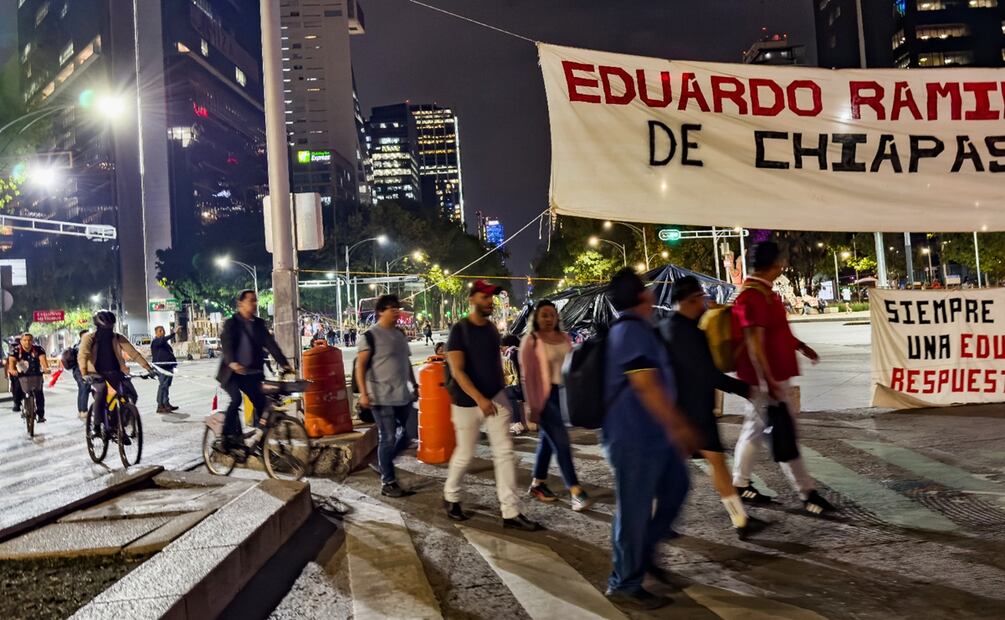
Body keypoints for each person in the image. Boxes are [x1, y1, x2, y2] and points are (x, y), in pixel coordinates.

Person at [602, 268, 698, 610]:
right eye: (645, 287)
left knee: (677, 487)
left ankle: (644, 555)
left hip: (654, 435)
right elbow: (645, 385)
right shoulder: (629, 331)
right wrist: (679, 425)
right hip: (633, 438)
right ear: (642, 295)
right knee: (634, 511)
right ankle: (624, 583)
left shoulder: (642, 328)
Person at [731, 242, 836, 515]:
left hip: (771, 378)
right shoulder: (752, 297)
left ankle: (740, 482)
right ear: (774, 264)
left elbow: (776, 332)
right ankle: (807, 493)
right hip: (768, 379)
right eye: (781, 260)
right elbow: (754, 344)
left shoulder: (764, 293)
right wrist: (769, 383)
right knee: (784, 434)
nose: (784, 264)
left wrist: (800, 346)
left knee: (756, 430)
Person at [662, 276, 764, 540]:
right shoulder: (691, 333)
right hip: (695, 411)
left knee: (672, 468)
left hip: (673, 411)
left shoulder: (662, 328)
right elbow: (708, 375)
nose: (704, 303)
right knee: (716, 463)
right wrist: (746, 389)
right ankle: (739, 520)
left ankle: (657, 521)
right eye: (701, 298)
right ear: (690, 299)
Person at [443, 280, 540, 531]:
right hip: (466, 402)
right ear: (472, 299)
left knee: (504, 452)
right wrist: (480, 399)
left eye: (491, 298)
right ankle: (451, 495)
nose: (489, 302)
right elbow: (458, 371)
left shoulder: (491, 329)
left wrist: (501, 393)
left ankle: (511, 512)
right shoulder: (459, 330)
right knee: (465, 453)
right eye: (484, 297)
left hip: (496, 398)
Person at [520, 300, 592, 511]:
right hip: (543, 397)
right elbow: (527, 377)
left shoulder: (564, 337)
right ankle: (575, 490)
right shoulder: (531, 340)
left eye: (552, 314)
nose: (549, 319)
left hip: (563, 395)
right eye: (544, 315)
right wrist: (532, 406)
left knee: (547, 440)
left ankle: (537, 484)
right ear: (536, 317)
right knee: (561, 442)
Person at [356, 294, 417, 498]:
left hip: (402, 395)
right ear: (380, 311)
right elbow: (360, 366)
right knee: (388, 437)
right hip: (380, 397)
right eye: (391, 308)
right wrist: (364, 394)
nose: (396, 311)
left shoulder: (400, 335)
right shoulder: (370, 336)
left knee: (408, 435)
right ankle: (388, 482)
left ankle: (383, 462)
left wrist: (414, 384)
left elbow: (406, 362)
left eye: (397, 307)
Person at [217, 290, 293, 451]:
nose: (254, 304)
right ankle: (225, 437)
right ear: (240, 304)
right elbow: (227, 343)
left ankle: (260, 444)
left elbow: (271, 344)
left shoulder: (258, 324)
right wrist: (232, 362)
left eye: (255, 301)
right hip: (232, 374)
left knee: (262, 405)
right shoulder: (231, 323)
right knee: (236, 400)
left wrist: (285, 364)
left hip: (251, 374)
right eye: (250, 300)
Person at [78, 311, 153, 441]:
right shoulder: (89, 338)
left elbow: (134, 354)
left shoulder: (118, 338)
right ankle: (96, 427)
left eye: (110, 327)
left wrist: (148, 368)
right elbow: (83, 355)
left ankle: (120, 424)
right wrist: (84, 373)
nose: (108, 330)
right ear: (98, 326)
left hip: (116, 372)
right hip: (95, 374)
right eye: (105, 328)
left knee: (131, 394)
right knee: (101, 392)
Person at [8, 333, 50, 423]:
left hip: (35, 373)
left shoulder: (38, 349)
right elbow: (11, 364)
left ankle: (41, 415)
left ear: (32, 341)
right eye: (25, 340)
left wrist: (46, 369)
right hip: (20, 373)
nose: (27, 342)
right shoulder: (15, 351)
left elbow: (43, 361)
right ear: (21, 341)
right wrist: (12, 370)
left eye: (29, 340)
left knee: (39, 393)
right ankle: (17, 403)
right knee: (17, 387)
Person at [500, 334, 525, 434]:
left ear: (507, 345)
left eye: (502, 347)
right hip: (524, 384)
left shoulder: (511, 353)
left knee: (509, 394)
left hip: (520, 386)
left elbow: (514, 374)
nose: (501, 350)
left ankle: (517, 423)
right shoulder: (519, 351)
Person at [151, 325, 179, 413]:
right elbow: (163, 340)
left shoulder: (164, 343)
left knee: (166, 386)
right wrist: (173, 333)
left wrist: (174, 364)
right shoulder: (156, 341)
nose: (162, 332)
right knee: (163, 386)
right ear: (156, 333)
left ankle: (166, 404)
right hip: (162, 368)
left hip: (169, 367)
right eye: (160, 331)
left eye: (163, 330)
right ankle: (160, 405)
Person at [62, 329, 90, 420]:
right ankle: (83, 411)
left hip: (77, 371)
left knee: (82, 389)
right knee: (84, 388)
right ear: (82, 337)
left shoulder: (77, 345)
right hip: (80, 371)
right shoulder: (81, 346)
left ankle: (81, 410)